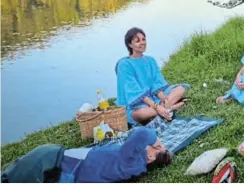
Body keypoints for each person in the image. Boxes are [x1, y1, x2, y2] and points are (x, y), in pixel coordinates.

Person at [1, 127, 172, 183]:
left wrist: (155, 139)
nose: (149, 145)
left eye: (155, 147)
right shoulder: (133, 161)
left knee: (11, 176)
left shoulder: (131, 160)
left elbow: (141, 133)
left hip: (55, 164)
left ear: (150, 157)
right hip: (60, 160)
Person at [115, 27, 189, 126]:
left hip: (154, 98)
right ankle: (170, 108)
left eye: (143, 39)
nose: (142, 43)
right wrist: (156, 107)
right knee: (142, 114)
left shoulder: (150, 60)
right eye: (137, 41)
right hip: (137, 104)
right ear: (130, 44)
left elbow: (156, 83)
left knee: (180, 89)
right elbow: (134, 91)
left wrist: (164, 99)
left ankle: (166, 108)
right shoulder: (124, 65)